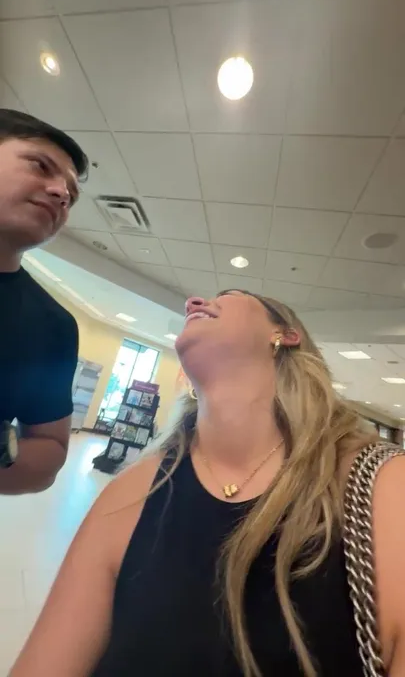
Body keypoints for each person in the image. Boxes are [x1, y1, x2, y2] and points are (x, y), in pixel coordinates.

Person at [11, 291, 405, 676]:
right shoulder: (135, 490)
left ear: (285, 335)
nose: (193, 303)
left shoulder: (384, 488)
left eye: (228, 296)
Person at [0, 109, 88, 494]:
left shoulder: (53, 325)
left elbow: (50, 447)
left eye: (72, 194)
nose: (62, 193)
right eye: (40, 165)